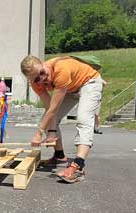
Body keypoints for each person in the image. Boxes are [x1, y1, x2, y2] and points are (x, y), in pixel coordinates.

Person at [20, 55, 103, 183]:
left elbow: (53, 109)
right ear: (31, 79)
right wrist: (50, 131)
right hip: (70, 88)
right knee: (47, 121)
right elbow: (50, 109)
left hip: (89, 82)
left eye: (42, 72)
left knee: (83, 118)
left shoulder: (60, 69)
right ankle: (60, 156)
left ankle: (78, 167)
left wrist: (39, 133)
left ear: (43, 64)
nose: (42, 79)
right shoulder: (35, 84)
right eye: (37, 78)